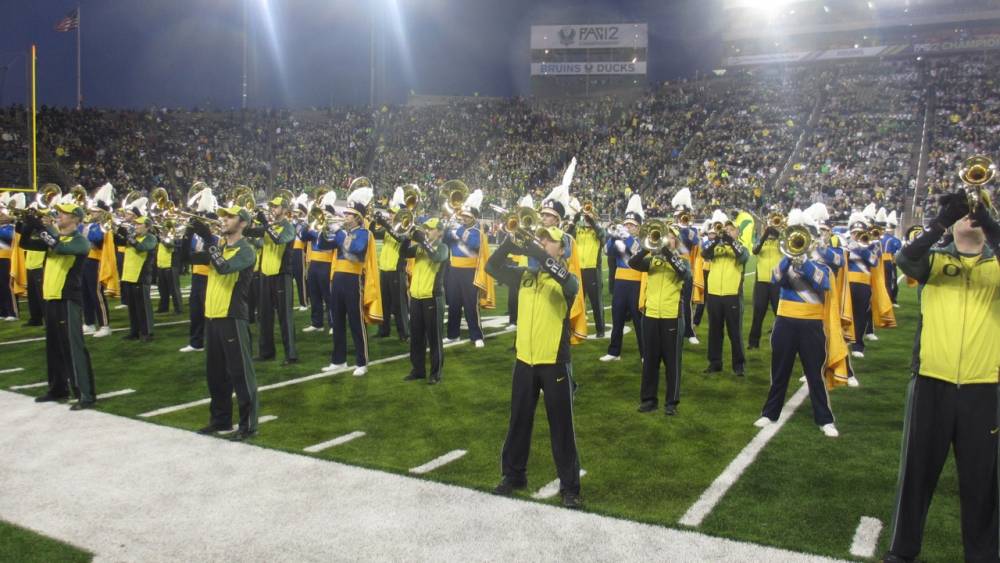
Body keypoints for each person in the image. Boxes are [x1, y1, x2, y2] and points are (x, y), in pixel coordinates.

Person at [882, 192, 1000, 563]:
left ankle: (983, 556)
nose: (971, 215)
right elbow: (905, 258)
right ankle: (902, 553)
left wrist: (991, 224)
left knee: (984, 484)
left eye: (977, 211)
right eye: (964, 212)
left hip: (986, 388)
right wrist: (939, 223)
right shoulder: (934, 261)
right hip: (931, 381)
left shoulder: (996, 264)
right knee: (916, 475)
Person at [487, 225, 583, 509]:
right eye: (540, 238)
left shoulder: (567, 278)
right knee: (518, 421)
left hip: (553, 362)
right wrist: (508, 243)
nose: (540, 242)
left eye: (547, 240)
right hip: (524, 361)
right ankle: (514, 475)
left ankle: (570, 488)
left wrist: (539, 254)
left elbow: (571, 286)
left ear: (562, 249)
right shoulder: (524, 276)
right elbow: (492, 266)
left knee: (561, 427)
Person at [755, 210, 838, 437]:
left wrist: (804, 263)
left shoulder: (822, 260)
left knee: (814, 373)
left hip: (811, 323)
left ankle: (825, 419)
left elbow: (823, 284)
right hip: (785, 321)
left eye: (805, 238)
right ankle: (770, 413)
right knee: (779, 370)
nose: (800, 242)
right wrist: (789, 258)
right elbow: (775, 279)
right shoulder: (786, 258)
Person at [190, 206, 259, 441]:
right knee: (215, 374)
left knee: (240, 374)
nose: (224, 220)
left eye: (230, 217)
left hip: (232, 318)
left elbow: (224, 267)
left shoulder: (247, 251)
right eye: (224, 216)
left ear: (242, 223)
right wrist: (190, 233)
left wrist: (209, 238)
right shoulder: (218, 248)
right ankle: (220, 420)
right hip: (213, 317)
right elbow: (189, 257)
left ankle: (248, 425)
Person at [19, 202, 97, 409]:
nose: (59, 215)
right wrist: (29, 225)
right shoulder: (56, 237)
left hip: (68, 299)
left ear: (76, 219)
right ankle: (58, 388)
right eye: (59, 212)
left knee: (73, 347)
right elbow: (25, 244)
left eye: (64, 213)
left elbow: (60, 248)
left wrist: (42, 228)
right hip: (51, 297)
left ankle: (85, 394)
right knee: (53, 347)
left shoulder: (81, 241)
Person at [317, 181, 379, 376]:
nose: (345, 216)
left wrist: (340, 232)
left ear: (358, 217)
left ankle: (362, 362)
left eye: (349, 215)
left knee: (355, 322)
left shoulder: (364, 233)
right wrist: (324, 229)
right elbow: (323, 245)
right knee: (338, 321)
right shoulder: (344, 232)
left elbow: (356, 249)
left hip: (353, 281)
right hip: (338, 280)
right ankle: (339, 360)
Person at [629, 227, 691, 415]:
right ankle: (649, 400)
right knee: (650, 360)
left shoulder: (682, 261)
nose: (667, 240)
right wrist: (647, 247)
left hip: (672, 316)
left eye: (671, 238)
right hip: (651, 315)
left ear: (676, 242)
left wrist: (667, 252)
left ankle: (671, 403)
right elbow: (633, 262)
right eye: (666, 237)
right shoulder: (652, 261)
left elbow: (685, 275)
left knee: (672, 362)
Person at [245, 195, 299, 365]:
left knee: (285, 316)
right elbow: (253, 236)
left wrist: (266, 225)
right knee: (264, 316)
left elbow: (279, 239)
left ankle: (291, 354)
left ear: (284, 209)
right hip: (265, 276)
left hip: (281, 276)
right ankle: (266, 352)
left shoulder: (289, 227)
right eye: (272, 207)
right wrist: (243, 222)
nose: (272, 209)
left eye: (276, 207)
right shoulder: (271, 226)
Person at [402, 218, 449, 384]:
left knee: (434, 338)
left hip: (432, 298)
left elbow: (436, 257)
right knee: (416, 337)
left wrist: (422, 240)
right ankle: (418, 370)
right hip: (416, 297)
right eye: (425, 229)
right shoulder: (420, 247)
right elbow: (403, 253)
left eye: (430, 229)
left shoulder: (443, 248)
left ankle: (435, 373)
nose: (427, 231)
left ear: (440, 232)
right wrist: (408, 237)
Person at [702, 212, 749, 377]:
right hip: (714, 293)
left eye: (731, 229)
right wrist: (716, 240)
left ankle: (739, 365)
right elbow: (704, 254)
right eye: (726, 229)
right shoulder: (716, 247)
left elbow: (743, 257)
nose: (727, 231)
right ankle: (715, 362)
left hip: (732, 294)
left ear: (737, 232)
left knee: (734, 331)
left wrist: (729, 241)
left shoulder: (742, 247)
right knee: (714, 331)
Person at [600, 193, 645, 362]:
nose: (627, 227)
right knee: (617, 316)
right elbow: (607, 251)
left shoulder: (642, 239)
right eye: (626, 224)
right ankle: (614, 351)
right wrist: (613, 237)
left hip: (636, 281)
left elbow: (637, 251)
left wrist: (626, 237)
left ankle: (645, 353)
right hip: (620, 281)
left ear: (638, 227)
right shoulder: (620, 238)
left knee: (638, 319)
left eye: (631, 225)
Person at [443, 184, 487, 348]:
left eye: (468, 216)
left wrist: (458, 231)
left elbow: (475, 244)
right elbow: (444, 240)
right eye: (464, 216)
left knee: (470, 304)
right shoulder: (457, 227)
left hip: (470, 271)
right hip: (454, 270)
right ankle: (452, 334)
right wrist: (448, 228)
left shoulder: (478, 230)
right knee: (453, 303)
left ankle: (476, 335)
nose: (465, 218)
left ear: (474, 217)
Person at [374, 187, 410, 342]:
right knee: (384, 304)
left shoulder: (406, 228)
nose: (389, 215)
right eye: (389, 213)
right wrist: (374, 220)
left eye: (392, 213)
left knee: (399, 305)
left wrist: (386, 225)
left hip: (397, 270)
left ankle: (404, 333)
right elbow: (374, 233)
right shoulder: (388, 228)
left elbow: (401, 239)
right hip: (384, 269)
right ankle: (384, 330)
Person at [845, 213, 881, 358]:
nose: (856, 235)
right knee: (845, 313)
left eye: (859, 233)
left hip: (863, 284)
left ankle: (857, 345)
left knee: (860, 315)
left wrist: (861, 249)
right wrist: (850, 247)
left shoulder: (873, 245)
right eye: (854, 233)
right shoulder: (845, 243)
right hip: (845, 283)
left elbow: (874, 262)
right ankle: (844, 338)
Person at [116, 216, 157, 342]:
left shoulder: (151, 238)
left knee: (143, 307)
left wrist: (131, 238)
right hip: (128, 276)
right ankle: (134, 331)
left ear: (147, 227)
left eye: (140, 225)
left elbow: (142, 247)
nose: (136, 227)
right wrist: (118, 231)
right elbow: (117, 241)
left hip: (141, 276)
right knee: (132, 307)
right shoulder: (133, 237)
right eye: (136, 224)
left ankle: (147, 333)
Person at [748, 218, 782, 349]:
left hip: (776, 281)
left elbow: (786, 247)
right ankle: (753, 342)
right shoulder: (761, 240)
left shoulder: (781, 241)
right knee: (758, 312)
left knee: (779, 313)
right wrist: (765, 236)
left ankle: (780, 342)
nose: (771, 229)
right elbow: (755, 251)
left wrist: (776, 233)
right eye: (769, 226)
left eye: (773, 226)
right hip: (761, 281)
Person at [154, 225, 183, 314]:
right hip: (161, 267)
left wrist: (163, 239)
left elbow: (169, 245)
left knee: (174, 289)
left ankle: (178, 308)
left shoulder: (174, 239)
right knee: (162, 290)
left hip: (171, 267)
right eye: (161, 231)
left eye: (164, 230)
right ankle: (163, 307)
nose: (162, 232)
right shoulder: (160, 240)